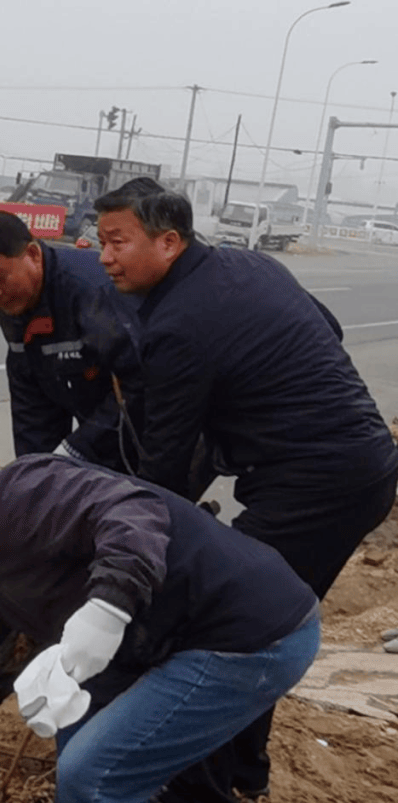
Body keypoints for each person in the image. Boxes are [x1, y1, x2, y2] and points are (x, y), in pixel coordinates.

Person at [93, 177, 398, 802]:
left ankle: (199, 789)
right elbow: (329, 328)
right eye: (100, 242)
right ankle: (241, 773)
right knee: (263, 627)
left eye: (117, 242)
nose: (104, 257)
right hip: (359, 463)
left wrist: (125, 542)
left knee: (230, 628)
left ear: (170, 242)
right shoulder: (251, 264)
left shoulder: (179, 324)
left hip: (316, 485)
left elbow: (168, 468)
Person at [0, 457, 320, 803]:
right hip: (182, 634)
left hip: (248, 638)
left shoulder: (14, 497)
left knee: (91, 773)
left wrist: (107, 608)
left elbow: (133, 512)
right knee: (75, 733)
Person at [0, 210, 142, 472]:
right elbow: (32, 399)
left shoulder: (90, 292)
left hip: (170, 425)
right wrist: (36, 474)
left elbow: (139, 388)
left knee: (147, 503)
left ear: (32, 255)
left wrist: (76, 451)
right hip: (106, 420)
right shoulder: (14, 305)